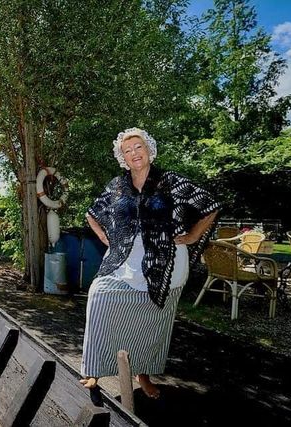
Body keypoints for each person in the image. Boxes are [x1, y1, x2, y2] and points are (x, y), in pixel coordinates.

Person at [80, 128, 220, 399]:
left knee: (154, 322)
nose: (134, 153)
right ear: (122, 157)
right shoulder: (117, 186)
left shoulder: (171, 181)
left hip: (165, 260)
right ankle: (93, 368)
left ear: (149, 150)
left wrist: (191, 236)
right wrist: (107, 238)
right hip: (125, 261)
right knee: (99, 296)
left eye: (138, 147)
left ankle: (142, 373)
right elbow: (92, 214)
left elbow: (210, 205)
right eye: (127, 150)